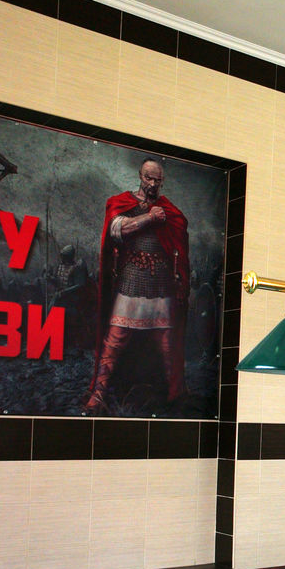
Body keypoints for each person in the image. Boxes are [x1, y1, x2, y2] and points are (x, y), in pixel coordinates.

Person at [85, 158, 189, 413]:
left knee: (167, 343)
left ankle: (176, 393)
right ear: (140, 176)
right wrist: (150, 217)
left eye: (157, 180)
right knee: (114, 340)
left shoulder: (169, 210)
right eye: (148, 178)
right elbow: (117, 230)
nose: (152, 184)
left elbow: (179, 232)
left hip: (160, 283)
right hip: (131, 279)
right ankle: (98, 394)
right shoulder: (123, 203)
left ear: (162, 181)